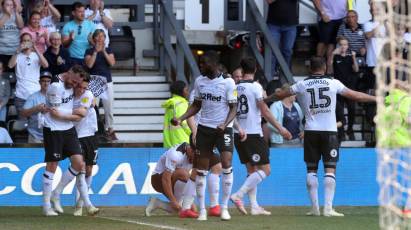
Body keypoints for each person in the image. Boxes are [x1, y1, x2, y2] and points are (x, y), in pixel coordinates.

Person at [273, 56, 375, 217]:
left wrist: (264, 100)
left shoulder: (302, 84)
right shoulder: (333, 82)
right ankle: (328, 209)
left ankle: (315, 208)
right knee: (330, 169)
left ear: (310, 69)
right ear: (325, 68)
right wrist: (376, 98)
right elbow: (355, 95)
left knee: (311, 169)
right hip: (329, 131)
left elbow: (281, 94)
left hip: (311, 131)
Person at [171, 50, 238, 221]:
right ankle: (202, 210)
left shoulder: (228, 83)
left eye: (204, 63)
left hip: (223, 129)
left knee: (226, 162)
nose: (200, 66)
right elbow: (196, 106)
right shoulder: (200, 82)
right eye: (200, 63)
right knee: (200, 170)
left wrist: (225, 123)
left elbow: (234, 108)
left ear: (214, 64)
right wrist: (181, 118)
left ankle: (224, 208)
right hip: (204, 130)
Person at [231, 57, 291, 216]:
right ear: (255, 69)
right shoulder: (256, 87)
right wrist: (281, 128)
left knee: (252, 171)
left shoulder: (234, 87)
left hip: (238, 134)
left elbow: (230, 111)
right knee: (266, 170)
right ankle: (238, 195)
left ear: (242, 71)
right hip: (252, 134)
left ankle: (254, 206)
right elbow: (264, 110)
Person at [41, 65, 98, 216]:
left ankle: (56, 193)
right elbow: (55, 113)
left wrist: (79, 113)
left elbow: (78, 113)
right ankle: (46, 206)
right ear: (69, 72)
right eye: (73, 82)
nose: (74, 86)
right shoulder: (55, 86)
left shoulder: (77, 87)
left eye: (77, 84)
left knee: (79, 164)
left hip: (69, 129)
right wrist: (75, 112)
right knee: (52, 165)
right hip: (53, 129)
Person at [72, 75, 99, 216]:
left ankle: (80, 202)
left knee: (89, 170)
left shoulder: (88, 94)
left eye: (84, 87)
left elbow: (82, 111)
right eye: (80, 87)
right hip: (77, 137)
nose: (82, 90)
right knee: (81, 169)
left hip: (92, 136)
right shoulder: (69, 98)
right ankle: (83, 205)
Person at [145, 142, 195, 216]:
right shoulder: (176, 154)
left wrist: (190, 201)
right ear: (190, 149)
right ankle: (176, 204)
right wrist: (173, 201)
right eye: (195, 155)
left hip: (173, 180)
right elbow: (166, 178)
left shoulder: (194, 155)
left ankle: (157, 203)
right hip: (157, 179)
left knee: (181, 209)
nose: (196, 158)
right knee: (184, 174)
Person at [84, 29, 116, 140]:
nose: (100, 38)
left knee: (109, 107)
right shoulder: (89, 51)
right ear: (94, 39)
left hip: (107, 81)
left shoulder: (109, 49)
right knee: (93, 107)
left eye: (102, 36)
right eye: (97, 36)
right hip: (95, 80)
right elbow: (89, 65)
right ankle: (94, 130)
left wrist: (103, 51)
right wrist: (96, 52)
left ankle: (110, 129)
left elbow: (112, 63)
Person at [9, 33, 49, 116]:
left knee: (36, 121)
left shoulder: (36, 55)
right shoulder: (18, 56)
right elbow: (10, 65)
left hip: (35, 93)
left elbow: (46, 65)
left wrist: (36, 49)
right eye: (24, 41)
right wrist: (17, 50)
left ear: (31, 42)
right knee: (22, 123)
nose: (26, 42)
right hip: (21, 95)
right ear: (21, 42)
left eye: (28, 40)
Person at [332, 36, 359, 140]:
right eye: (341, 44)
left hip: (350, 88)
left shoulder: (350, 56)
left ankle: (350, 129)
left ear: (348, 46)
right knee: (339, 111)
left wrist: (353, 58)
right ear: (338, 45)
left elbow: (356, 70)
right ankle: (341, 132)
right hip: (338, 89)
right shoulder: (335, 56)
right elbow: (329, 69)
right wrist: (332, 54)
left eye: (345, 44)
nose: (343, 46)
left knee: (352, 109)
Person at [313, 0, 347, 73]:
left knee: (332, 43)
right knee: (323, 42)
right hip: (327, 17)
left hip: (341, 17)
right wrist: (322, 13)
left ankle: (329, 69)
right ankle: (317, 68)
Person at [266, 0, 298, 75]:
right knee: (272, 51)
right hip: (273, 24)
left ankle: (286, 76)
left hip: (290, 24)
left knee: (287, 50)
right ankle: (270, 77)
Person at [20, 71, 52, 143]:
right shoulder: (33, 97)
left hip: (52, 135)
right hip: (35, 135)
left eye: (48, 81)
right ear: (39, 82)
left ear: (51, 82)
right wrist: (36, 109)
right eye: (43, 81)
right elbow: (23, 113)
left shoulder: (55, 96)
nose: (46, 83)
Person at [62, 2, 96, 66]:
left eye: (83, 11)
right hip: (72, 59)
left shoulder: (91, 24)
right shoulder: (67, 26)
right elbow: (64, 45)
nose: (83, 14)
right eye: (80, 12)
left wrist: (91, 41)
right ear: (73, 13)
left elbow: (96, 45)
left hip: (88, 58)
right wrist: (70, 39)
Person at [162, 80, 191, 148]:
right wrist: (195, 134)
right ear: (181, 91)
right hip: (183, 142)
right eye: (186, 90)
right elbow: (185, 123)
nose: (188, 93)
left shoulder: (171, 104)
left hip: (170, 142)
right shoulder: (181, 104)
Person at [0, 0, 24, 72]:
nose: (10, 7)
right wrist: (7, 15)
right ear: (3, 6)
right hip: (2, 51)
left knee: (13, 73)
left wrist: (16, 12)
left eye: (11, 5)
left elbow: (21, 26)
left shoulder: (17, 15)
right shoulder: (0, 16)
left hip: (14, 51)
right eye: (7, 5)